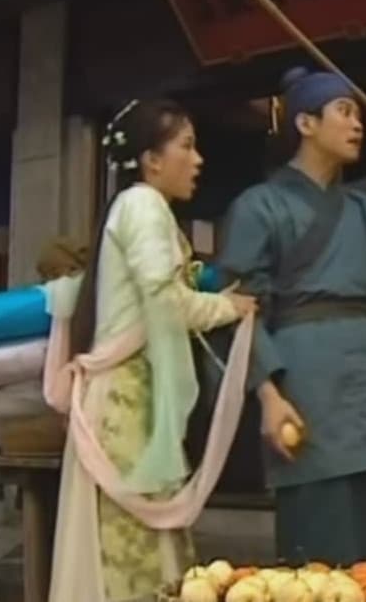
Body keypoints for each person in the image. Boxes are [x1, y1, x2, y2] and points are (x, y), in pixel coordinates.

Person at [212, 67, 366, 566]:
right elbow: (238, 308)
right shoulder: (259, 206)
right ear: (306, 123)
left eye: (359, 114)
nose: (358, 124)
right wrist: (268, 394)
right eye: (344, 111)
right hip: (310, 385)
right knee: (326, 544)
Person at [47, 97, 257, 602]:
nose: (198, 159)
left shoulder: (135, 207)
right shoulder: (143, 204)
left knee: (141, 544)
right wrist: (229, 308)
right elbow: (164, 302)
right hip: (125, 402)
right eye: (187, 146)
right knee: (133, 551)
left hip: (131, 396)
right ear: (151, 160)